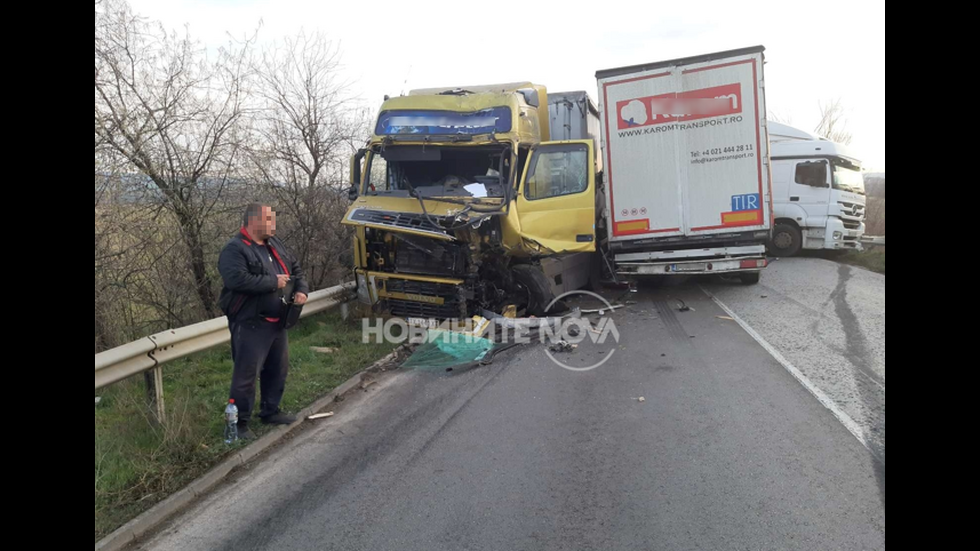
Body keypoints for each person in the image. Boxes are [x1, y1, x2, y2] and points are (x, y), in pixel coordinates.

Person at [217, 203, 308, 439]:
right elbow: (236, 280)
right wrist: (272, 282)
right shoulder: (234, 249)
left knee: (277, 369)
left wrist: (302, 290)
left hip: (278, 320)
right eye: (269, 219)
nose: (273, 224)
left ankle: (270, 411)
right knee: (246, 375)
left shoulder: (274, 244)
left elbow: (295, 268)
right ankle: (238, 424)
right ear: (254, 221)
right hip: (251, 323)